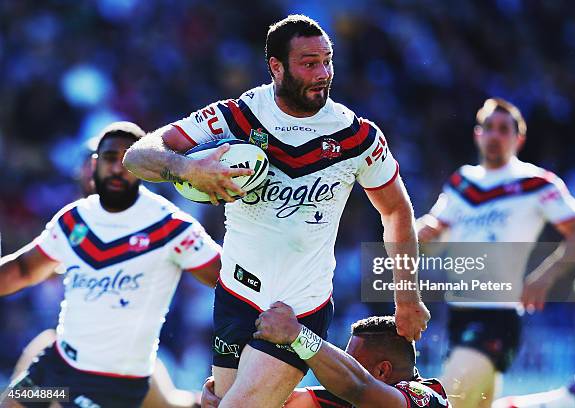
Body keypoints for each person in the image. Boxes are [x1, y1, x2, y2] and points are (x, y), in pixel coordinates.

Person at [123, 14, 429, 407]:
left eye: (327, 60)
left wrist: (407, 297)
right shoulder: (234, 118)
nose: (323, 73)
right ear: (276, 66)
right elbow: (138, 156)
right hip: (234, 297)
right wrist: (187, 167)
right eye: (309, 63)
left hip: (298, 307)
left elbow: (396, 212)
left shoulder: (356, 135)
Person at [0, 122, 222, 407]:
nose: (117, 168)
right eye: (108, 159)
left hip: (114, 382)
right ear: (94, 164)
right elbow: (22, 270)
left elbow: (225, 279)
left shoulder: (170, 226)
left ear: (142, 167)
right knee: (13, 403)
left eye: (126, 161)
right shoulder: (73, 219)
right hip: (57, 370)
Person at [416, 98, 575, 407]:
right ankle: (563, 401)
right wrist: (420, 231)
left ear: (518, 139)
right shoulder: (461, 183)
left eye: (504, 129)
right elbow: (433, 238)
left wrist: (546, 275)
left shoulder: (535, 182)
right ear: (477, 134)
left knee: (446, 399)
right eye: (488, 127)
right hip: (458, 315)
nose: (495, 135)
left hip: (497, 315)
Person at [202, 309, 449, 408]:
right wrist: (224, 397)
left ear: (382, 371)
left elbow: (358, 384)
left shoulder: (427, 398)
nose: (344, 368)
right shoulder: (347, 399)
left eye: (351, 362)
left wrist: (297, 335)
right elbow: (278, 402)